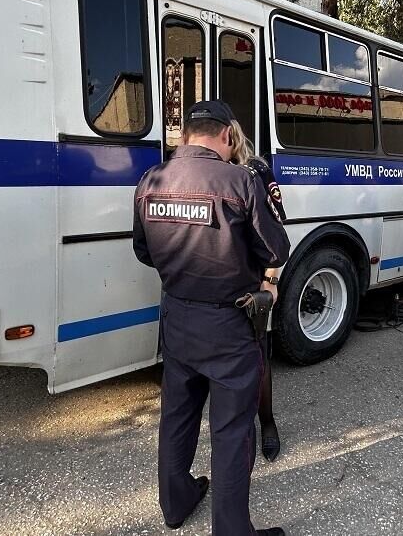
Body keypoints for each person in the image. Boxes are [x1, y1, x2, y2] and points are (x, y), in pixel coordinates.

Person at [133, 100, 290, 536]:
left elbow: (143, 250)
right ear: (226, 135)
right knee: (232, 430)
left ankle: (176, 502)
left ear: (186, 135)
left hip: (178, 319)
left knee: (177, 417)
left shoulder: (151, 180)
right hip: (229, 325)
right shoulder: (239, 180)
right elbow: (275, 251)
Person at [229, 120, 285, 463]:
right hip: (217, 285)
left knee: (259, 360)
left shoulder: (257, 170)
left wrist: (270, 282)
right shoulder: (204, 171)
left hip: (254, 282)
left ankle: (267, 422)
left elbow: (277, 228)